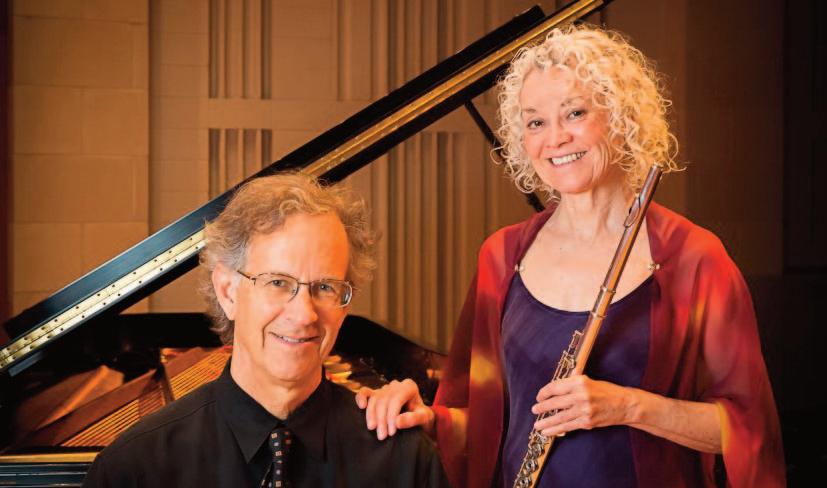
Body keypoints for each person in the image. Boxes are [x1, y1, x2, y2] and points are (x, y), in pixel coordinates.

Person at [356, 25, 785, 488]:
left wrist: (627, 406)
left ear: (621, 117)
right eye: (535, 122)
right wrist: (426, 418)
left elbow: (747, 431)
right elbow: (480, 422)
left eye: (575, 113)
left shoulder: (693, 258)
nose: (555, 138)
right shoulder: (501, 257)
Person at [83, 173, 449, 487]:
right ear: (228, 291)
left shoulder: (404, 461)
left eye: (325, 287)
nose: (303, 314)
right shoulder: (134, 469)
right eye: (277, 282)